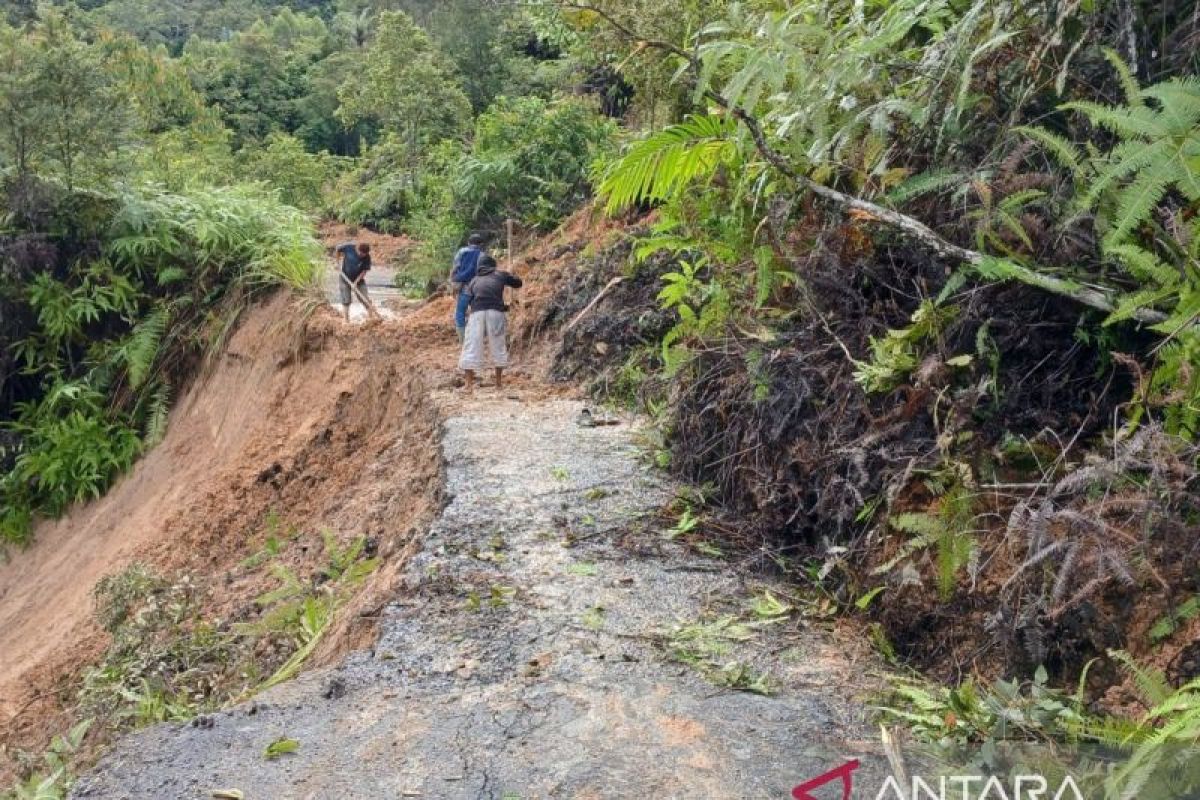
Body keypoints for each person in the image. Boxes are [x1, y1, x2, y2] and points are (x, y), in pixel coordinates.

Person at [458, 254, 523, 391]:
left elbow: (469, 300)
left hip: (477, 314)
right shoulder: (500, 275)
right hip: (496, 313)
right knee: (498, 345)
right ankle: (498, 384)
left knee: (471, 346)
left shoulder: (474, 280)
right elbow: (518, 283)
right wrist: (509, 275)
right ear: (493, 265)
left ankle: (468, 385)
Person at [449, 233, 485, 341]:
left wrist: (452, 279)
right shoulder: (482, 255)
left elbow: (455, 267)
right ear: (481, 244)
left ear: (469, 243)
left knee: (460, 311)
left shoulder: (462, 251)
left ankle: (462, 339)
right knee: (476, 311)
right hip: (477, 287)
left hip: (464, 286)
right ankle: (476, 336)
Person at [336, 242, 372, 323]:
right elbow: (337, 249)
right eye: (361, 254)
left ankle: (371, 316)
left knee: (364, 298)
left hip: (359, 280)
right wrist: (337, 263)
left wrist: (356, 282)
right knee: (346, 299)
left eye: (364, 255)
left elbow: (364, 271)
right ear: (358, 250)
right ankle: (346, 319)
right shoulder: (349, 248)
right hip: (344, 278)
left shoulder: (367, 257)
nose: (362, 256)